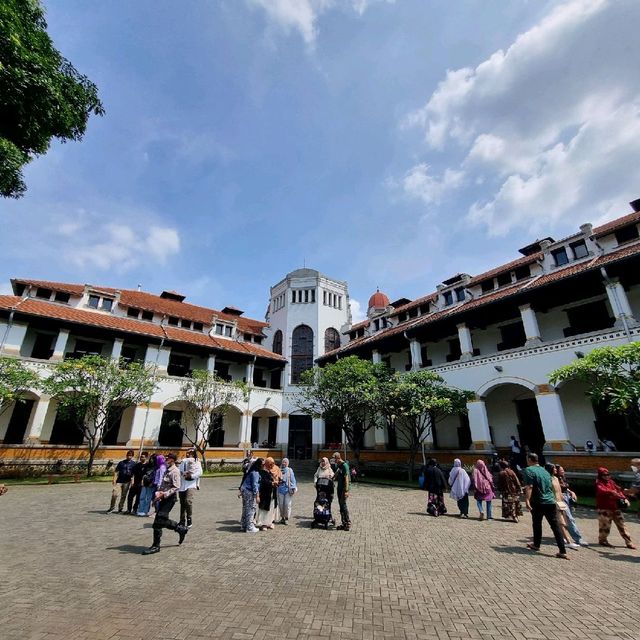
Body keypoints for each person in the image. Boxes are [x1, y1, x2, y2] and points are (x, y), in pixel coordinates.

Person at [522, 453, 568, 559]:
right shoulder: (545, 471)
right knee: (555, 526)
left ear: (529, 459)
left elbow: (529, 486)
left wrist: (527, 500)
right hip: (550, 501)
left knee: (537, 523)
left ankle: (536, 545)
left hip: (538, 501)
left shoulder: (529, 470)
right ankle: (562, 551)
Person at [142, 452, 188, 555]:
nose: (166, 459)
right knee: (160, 521)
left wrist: (164, 494)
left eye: (168, 458)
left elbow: (176, 487)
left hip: (170, 499)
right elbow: (163, 485)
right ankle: (180, 528)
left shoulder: (175, 471)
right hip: (163, 498)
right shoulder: (167, 470)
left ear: (172, 459)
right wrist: (157, 496)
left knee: (158, 521)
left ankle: (156, 546)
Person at [595, 467, 636, 549]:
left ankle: (629, 542)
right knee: (605, 527)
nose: (607, 476)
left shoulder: (611, 482)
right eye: (604, 475)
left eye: (608, 474)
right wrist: (611, 492)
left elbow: (619, 490)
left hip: (615, 508)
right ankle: (602, 540)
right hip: (604, 509)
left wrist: (625, 498)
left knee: (622, 525)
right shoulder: (598, 482)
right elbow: (601, 490)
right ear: (600, 476)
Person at [545, 463, 579, 550]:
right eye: (554, 469)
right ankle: (568, 541)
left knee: (565, 521)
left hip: (561, 502)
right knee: (561, 522)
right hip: (554, 502)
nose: (556, 470)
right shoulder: (547, 479)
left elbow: (560, 491)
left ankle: (563, 538)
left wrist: (563, 501)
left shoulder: (556, 478)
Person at [556, 465, 588, 546]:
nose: (563, 471)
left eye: (563, 470)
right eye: (561, 470)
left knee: (567, 518)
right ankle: (578, 538)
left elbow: (566, 488)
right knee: (569, 519)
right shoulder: (554, 479)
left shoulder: (562, 478)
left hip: (567, 497)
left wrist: (571, 492)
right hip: (561, 499)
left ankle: (563, 535)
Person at [179, 448, 202, 529]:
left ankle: (189, 517)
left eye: (190, 453)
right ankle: (182, 520)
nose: (188, 454)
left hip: (191, 484)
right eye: (187, 453)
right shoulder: (183, 462)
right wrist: (182, 473)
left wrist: (191, 476)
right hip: (182, 485)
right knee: (182, 504)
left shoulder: (196, 462)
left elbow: (200, 472)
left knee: (188, 501)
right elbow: (179, 470)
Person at [107, 449, 136, 514]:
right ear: (126, 455)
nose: (129, 456)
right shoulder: (121, 463)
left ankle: (120, 508)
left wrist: (132, 481)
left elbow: (134, 474)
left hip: (127, 482)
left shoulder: (134, 464)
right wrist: (114, 479)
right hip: (119, 481)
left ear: (132, 456)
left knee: (123, 495)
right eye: (128, 455)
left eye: (130, 455)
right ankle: (112, 507)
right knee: (114, 494)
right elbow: (116, 471)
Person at [256, 457, 280, 530]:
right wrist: (272, 483)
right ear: (267, 464)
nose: (272, 465)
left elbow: (275, 479)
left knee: (272, 508)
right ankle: (263, 524)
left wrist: (278, 482)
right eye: (271, 464)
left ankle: (269, 522)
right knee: (264, 510)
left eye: (273, 464)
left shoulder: (270, 472)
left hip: (272, 494)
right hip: (265, 494)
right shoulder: (262, 472)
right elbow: (263, 482)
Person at [239, 457, 262, 533]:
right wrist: (257, 496)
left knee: (245, 508)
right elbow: (255, 485)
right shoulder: (255, 473)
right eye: (263, 464)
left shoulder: (251, 471)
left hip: (245, 490)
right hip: (249, 492)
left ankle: (244, 525)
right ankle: (250, 527)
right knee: (251, 509)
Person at [126, 451, 148, 515]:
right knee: (130, 497)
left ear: (146, 458)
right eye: (141, 457)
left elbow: (147, 475)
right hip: (134, 483)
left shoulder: (147, 466)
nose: (141, 458)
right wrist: (132, 480)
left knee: (138, 498)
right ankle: (128, 509)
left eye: (143, 457)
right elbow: (133, 474)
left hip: (141, 485)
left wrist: (143, 481)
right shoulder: (137, 465)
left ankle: (134, 509)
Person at [277, 458, 297, 525]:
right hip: (280, 489)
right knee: (281, 504)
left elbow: (293, 479)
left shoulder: (289, 470)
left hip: (288, 490)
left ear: (287, 463)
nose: (284, 463)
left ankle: (286, 518)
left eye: (285, 462)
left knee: (287, 504)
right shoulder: (278, 470)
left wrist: (293, 487)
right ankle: (282, 518)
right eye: (283, 462)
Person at [137, 453, 157, 517]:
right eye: (151, 458)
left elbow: (156, 476)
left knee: (148, 498)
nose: (151, 460)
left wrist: (152, 483)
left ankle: (145, 511)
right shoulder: (147, 465)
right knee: (142, 497)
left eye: (153, 458)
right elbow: (144, 473)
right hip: (145, 483)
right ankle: (140, 510)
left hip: (151, 484)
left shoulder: (156, 467)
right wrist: (142, 481)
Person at [334, 453, 351, 530]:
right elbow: (337, 472)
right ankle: (343, 523)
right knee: (341, 506)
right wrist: (333, 477)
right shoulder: (339, 465)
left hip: (344, 489)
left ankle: (348, 523)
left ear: (338, 458)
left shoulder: (345, 465)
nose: (334, 461)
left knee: (343, 505)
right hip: (339, 488)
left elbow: (347, 478)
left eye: (335, 459)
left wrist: (346, 490)